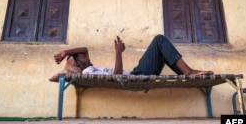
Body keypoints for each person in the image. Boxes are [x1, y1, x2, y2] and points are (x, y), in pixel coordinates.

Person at [49, 35, 213, 82]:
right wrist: (118, 52)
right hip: (135, 76)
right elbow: (118, 76)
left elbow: (84, 49)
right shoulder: (88, 72)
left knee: (161, 49)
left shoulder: (88, 65)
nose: (87, 56)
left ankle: (187, 72)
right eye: (83, 57)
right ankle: (188, 72)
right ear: (77, 63)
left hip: (137, 71)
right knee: (159, 41)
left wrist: (65, 51)